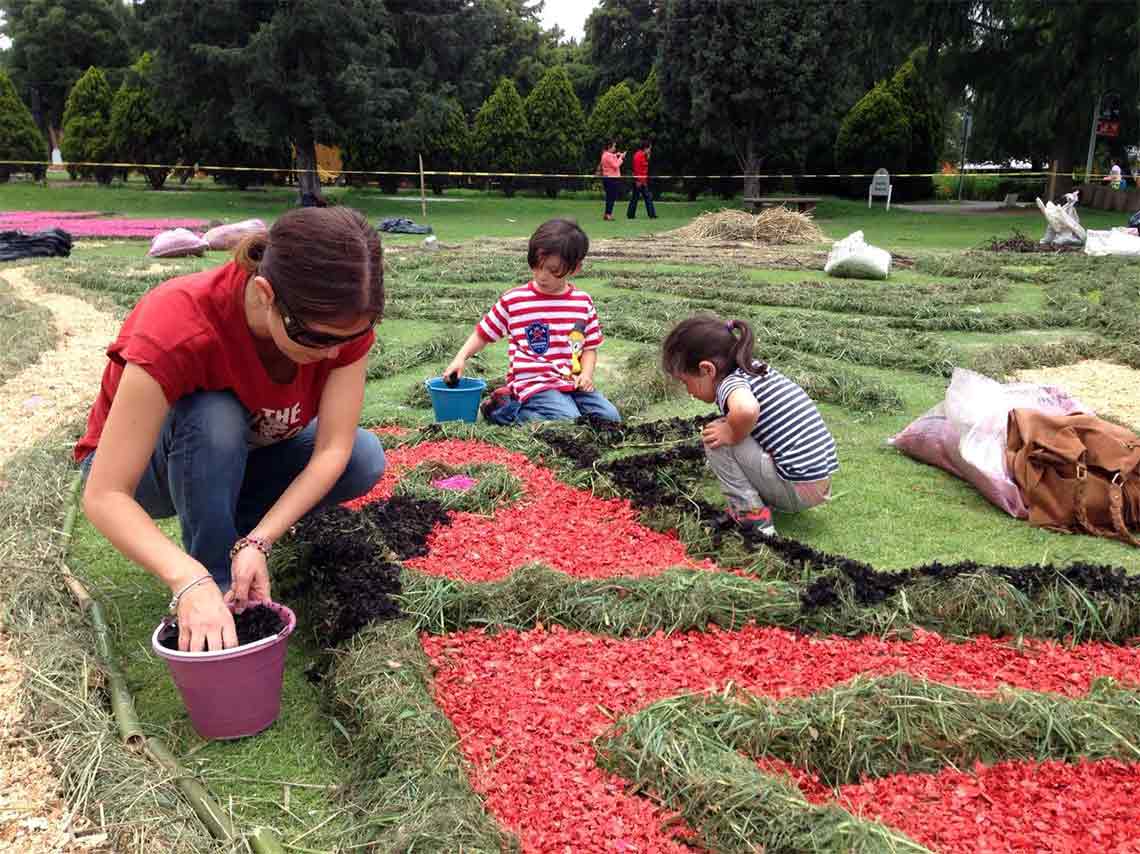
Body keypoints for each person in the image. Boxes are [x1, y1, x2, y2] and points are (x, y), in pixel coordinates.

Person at [77, 207, 387, 652]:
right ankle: (214, 583)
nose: (333, 355)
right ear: (265, 294)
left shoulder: (340, 327)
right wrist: (187, 577)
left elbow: (331, 451)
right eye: (318, 340)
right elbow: (105, 495)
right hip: (145, 473)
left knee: (362, 457)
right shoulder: (178, 324)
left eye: (350, 339)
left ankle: (235, 540)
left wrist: (260, 541)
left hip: (240, 458)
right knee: (214, 413)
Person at [661, 315, 837, 537]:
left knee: (716, 436)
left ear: (707, 370)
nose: (689, 391)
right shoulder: (754, 370)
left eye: (686, 382)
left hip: (798, 490)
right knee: (730, 428)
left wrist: (730, 433)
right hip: (818, 484)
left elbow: (746, 410)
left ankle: (751, 517)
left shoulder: (729, 384)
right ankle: (764, 498)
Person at [444, 218, 620, 424]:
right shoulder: (515, 300)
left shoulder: (582, 302)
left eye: (553, 271)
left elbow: (589, 347)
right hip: (534, 383)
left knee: (610, 418)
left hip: (571, 384)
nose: (542, 276)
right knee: (568, 421)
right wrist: (460, 358)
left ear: (576, 268)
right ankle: (502, 409)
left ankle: (553, 408)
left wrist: (586, 376)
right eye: (536, 266)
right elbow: (484, 332)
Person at [627, 140, 657, 219]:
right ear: (645, 148)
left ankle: (630, 215)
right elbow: (637, 169)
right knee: (646, 197)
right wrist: (638, 180)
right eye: (649, 148)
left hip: (642, 180)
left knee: (635, 198)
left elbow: (644, 168)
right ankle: (652, 215)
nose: (650, 150)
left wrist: (647, 158)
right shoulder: (638, 155)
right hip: (639, 181)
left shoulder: (643, 155)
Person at [598, 140, 626, 221]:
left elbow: (612, 157)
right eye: (614, 146)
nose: (615, 148)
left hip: (608, 179)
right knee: (611, 198)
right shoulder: (608, 155)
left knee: (609, 197)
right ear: (609, 147)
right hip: (612, 179)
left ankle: (607, 214)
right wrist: (621, 158)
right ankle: (608, 214)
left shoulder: (606, 154)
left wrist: (617, 155)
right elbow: (616, 165)